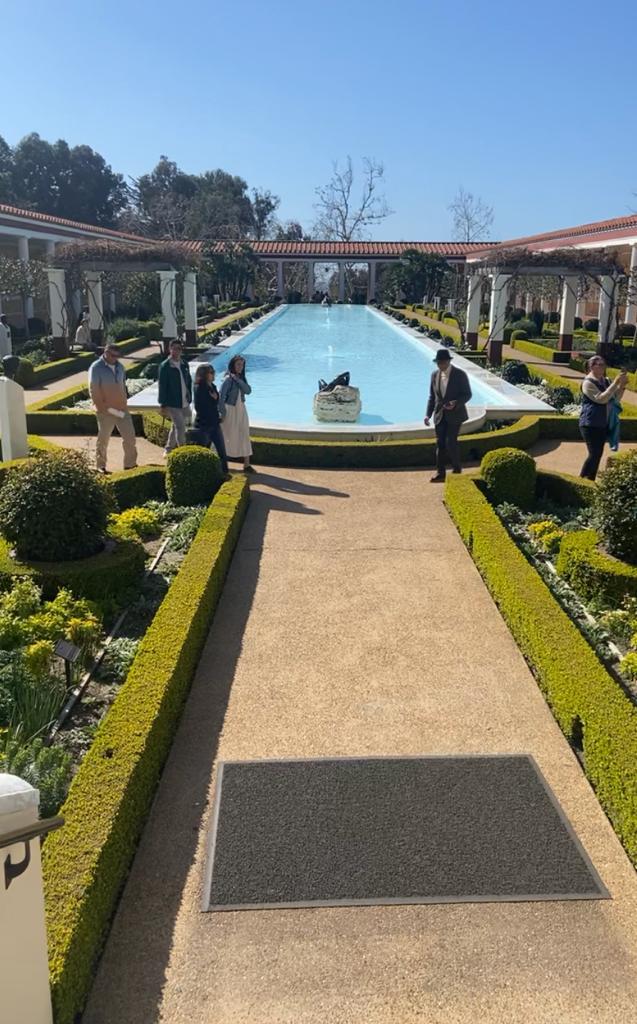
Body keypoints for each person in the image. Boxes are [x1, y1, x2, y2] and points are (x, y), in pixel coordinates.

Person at [88, 343, 138, 474]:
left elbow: (123, 385)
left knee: (130, 437)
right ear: (105, 352)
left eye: (117, 356)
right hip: (105, 410)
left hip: (121, 409)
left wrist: (125, 401)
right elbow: (93, 389)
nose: (115, 358)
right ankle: (100, 465)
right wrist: (101, 407)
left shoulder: (120, 367)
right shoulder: (96, 367)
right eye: (112, 355)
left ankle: (130, 465)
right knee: (103, 440)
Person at [424, 348, 472, 482]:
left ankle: (457, 470)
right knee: (440, 444)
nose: (441, 365)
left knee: (451, 442)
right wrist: (428, 415)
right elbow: (432, 397)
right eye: (439, 363)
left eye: (443, 362)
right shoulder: (434, 375)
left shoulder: (460, 374)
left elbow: (467, 394)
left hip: (455, 414)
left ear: (448, 361)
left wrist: (455, 403)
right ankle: (440, 473)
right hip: (440, 415)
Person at [578, 356, 627, 479]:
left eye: (603, 365)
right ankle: (583, 479)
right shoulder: (587, 383)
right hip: (590, 423)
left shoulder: (606, 381)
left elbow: (615, 399)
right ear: (591, 367)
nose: (602, 367)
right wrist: (615, 383)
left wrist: (622, 385)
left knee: (597, 454)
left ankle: (589, 480)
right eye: (599, 365)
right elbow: (601, 399)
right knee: (594, 453)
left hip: (603, 422)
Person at [219, 354, 253, 472]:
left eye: (242, 365)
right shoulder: (227, 379)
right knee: (225, 434)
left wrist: (237, 379)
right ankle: (221, 463)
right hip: (230, 409)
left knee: (244, 433)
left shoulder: (240, 378)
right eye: (238, 364)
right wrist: (222, 413)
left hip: (241, 409)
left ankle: (247, 464)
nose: (240, 367)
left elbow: (248, 391)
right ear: (233, 365)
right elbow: (221, 397)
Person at [193, 363, 229, 475]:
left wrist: (215, 399)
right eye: (211, 372)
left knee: (221, 451)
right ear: (205, 374)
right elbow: (199, 407)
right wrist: (213, 399)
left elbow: (216, 401)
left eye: (213, 372)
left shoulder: (212, 386)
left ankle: (225, 473)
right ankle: (200, 475)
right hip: (204, 425)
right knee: (202, 452)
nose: (214, 374)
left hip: (214, 423)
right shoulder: (199, 387)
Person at [158, 340, 193, 453]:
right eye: (174, 348)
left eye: (179, 348)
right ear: (170, 349)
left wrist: (190, 396)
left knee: (176, 425)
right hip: (172, 402)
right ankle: (182, 453)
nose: (176, 351)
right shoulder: (165, 366)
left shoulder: (184, 364)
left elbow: (189, 381)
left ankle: (168, 449)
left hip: (184, 401)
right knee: (181, 427)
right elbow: (162, 386)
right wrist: (163, 404)